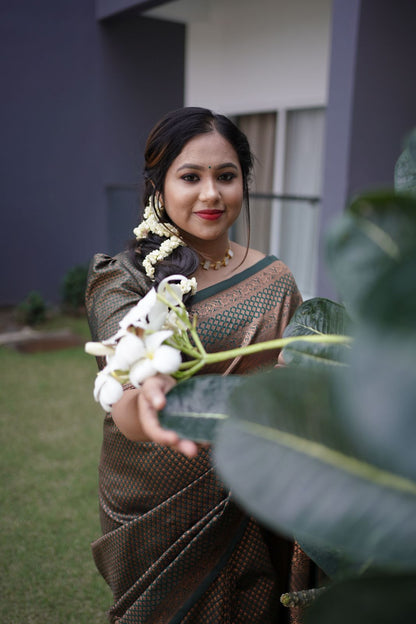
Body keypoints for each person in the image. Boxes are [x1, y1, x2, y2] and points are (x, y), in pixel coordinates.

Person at [86, 107, 315, 623]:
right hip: (157, 502)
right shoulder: (124, 280)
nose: (211, 194)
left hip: (257, 493)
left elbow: (298, 376)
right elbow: (125, 394)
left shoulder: (275, 279)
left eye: (226, 177)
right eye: (190, 177)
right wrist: (150, 399)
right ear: (157, 186)